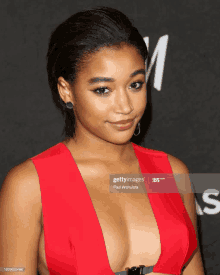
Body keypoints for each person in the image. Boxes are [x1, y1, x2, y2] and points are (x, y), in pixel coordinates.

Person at [0, 6, 205, 275]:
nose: (125, 106)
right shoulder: (28, 185)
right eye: (103, 90)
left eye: (135, 84)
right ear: (66, 90)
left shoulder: (172, 173)